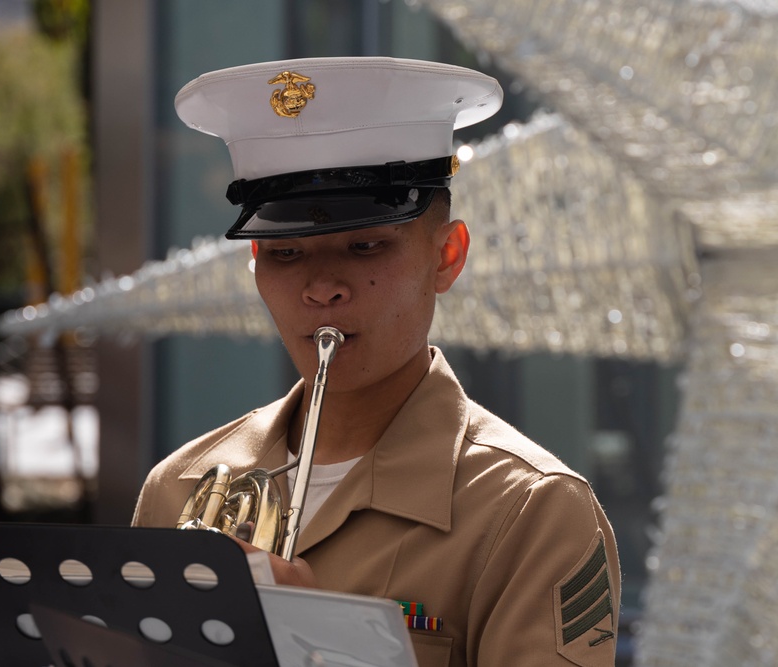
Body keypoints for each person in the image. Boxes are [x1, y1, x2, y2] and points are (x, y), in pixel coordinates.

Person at [132, 57, 620, 667]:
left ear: (447, 255)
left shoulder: (533, 511)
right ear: (255, 261)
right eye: (285, 253)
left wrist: (318, 644)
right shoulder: (174, 488)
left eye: (365, 245)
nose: (322, 287)